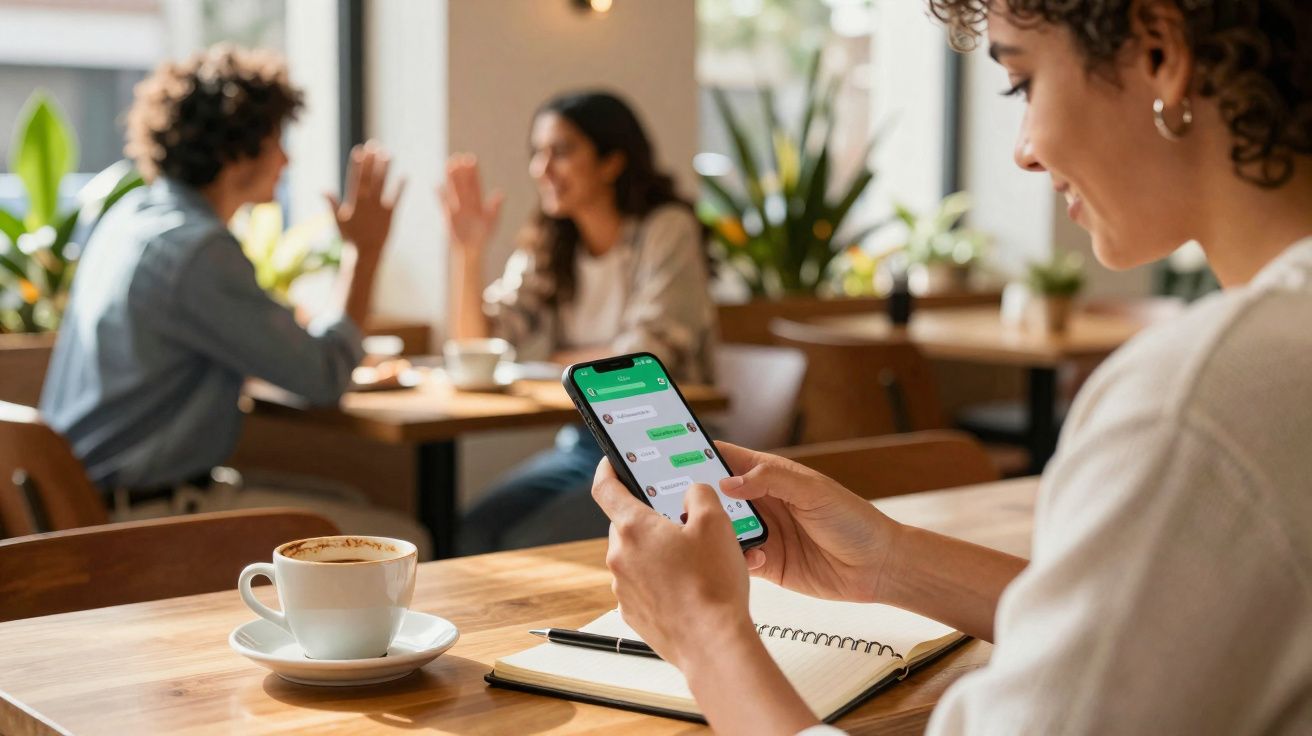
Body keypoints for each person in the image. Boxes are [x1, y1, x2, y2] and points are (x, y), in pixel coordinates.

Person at [592, 1, 1312, 734]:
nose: (1024, 151)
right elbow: (1166, 629)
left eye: (1021, 82)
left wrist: (704, 635)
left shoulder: (1201, 402)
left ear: (1161, 53)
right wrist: (890, 561)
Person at [40, 45, 430, 556]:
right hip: (136, 520)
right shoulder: (196, 250)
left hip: (85, 504)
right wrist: (365, 252)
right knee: (406, 540)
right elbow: (324, 377)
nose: (287, 160)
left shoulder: (132, 217)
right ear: (236, 150)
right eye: (276, 141)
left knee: (346, 502)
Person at [444, 91, 716, 554]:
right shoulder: (552, 243)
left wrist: (559, 361)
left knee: (519, 542)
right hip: (586, 446)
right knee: (471, 529)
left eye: (561, 151)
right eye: (537, 153)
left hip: (664, 450)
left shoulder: (666, 229)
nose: (540, 169)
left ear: (612, 162)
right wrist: (469, 253)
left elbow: (641, 363)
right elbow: (479, 347)